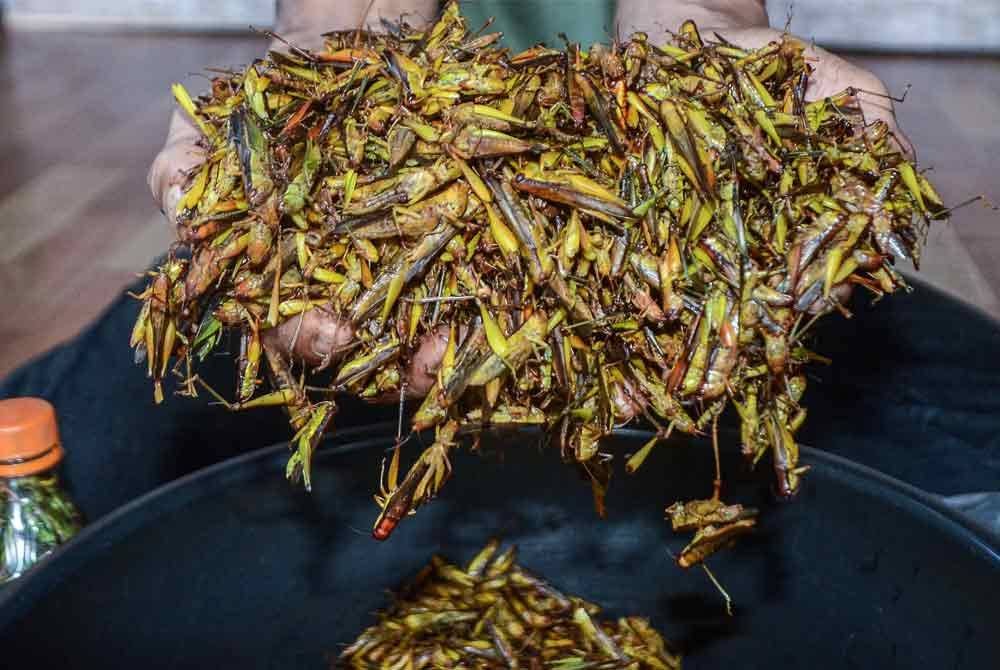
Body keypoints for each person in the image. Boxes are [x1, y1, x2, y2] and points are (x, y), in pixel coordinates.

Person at [4, 0, 998, 523]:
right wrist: (322, 75)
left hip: (654, 196)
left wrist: (717, 43)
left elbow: (695, 19)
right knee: (60, 455)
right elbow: (343, 25)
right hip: (392, 199)